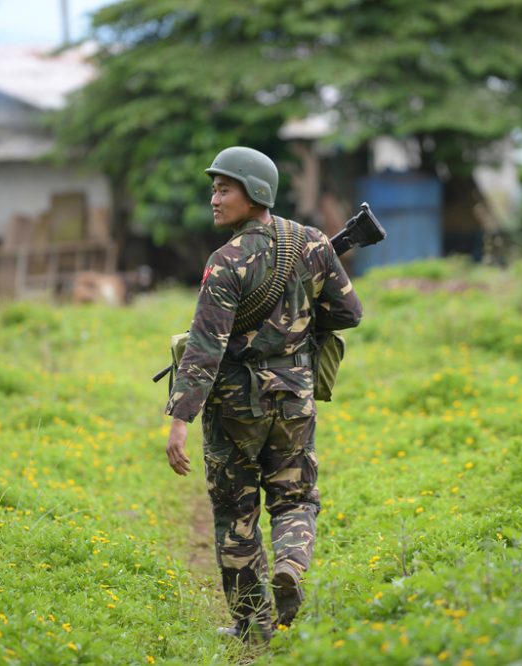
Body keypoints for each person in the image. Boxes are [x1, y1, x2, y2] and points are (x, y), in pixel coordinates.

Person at [164, 146, 363, 643]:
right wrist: (299, 321)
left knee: (237, 512)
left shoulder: (225, 261)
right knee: (295, 497)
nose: (214, 197)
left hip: (236, 404)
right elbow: (350, 313)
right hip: (295, 395)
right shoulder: (313, 243)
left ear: (254, 193)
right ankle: (292, 565)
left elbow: (206, 347)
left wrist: (179, 420)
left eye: (223, 188)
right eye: (214, 187)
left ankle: (253, 627)